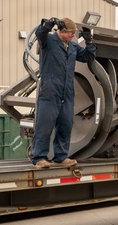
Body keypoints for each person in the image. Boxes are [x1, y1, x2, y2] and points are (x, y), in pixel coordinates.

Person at [30, 17, 97, 169]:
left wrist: (89, 41)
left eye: (74, 33)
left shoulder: (72, 47)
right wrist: (49, 23)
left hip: (67, 92)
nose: (73, 35)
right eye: (71, 33)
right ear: (62, 31)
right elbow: (40, 32)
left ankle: (60, 156)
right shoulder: (48, 41)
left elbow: (88, 57)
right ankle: (39, 158)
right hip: (50, 91)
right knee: (44, 125)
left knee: (66, 124)